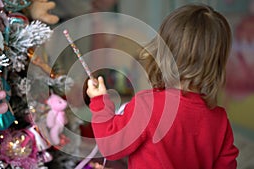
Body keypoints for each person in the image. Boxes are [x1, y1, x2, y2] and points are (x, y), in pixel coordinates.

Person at [86, 4, 239, 169]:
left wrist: (99, 101)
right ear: (217, 63)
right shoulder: (220, 120)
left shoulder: (148, 105)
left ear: (163, 52)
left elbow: (110, 146)